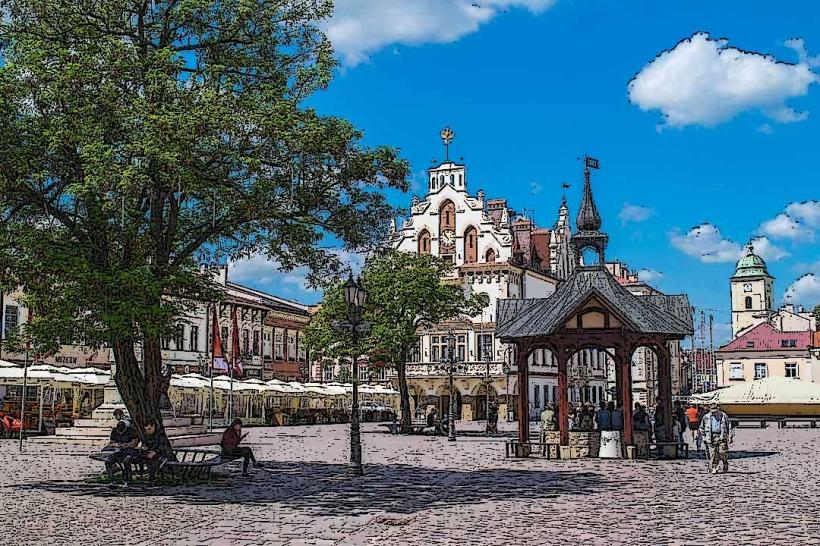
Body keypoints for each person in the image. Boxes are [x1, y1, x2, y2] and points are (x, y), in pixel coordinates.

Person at [104, 419, 140, 487]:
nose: (120, 433)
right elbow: (111, 442)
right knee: (108, 461)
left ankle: (127, 480)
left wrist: (127, 445)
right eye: (119, 431)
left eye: (122, 431)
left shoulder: (130, 431)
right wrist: (116, 445)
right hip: (118, 451)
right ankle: (112, 479)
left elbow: (135, 442)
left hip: (129, 451)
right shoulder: (114, 431)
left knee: (126, 460)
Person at [700, 403, 733, 474]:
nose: (713, 412)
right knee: (713, 453)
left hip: (722, 436)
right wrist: (704, 437)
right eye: (712, 410)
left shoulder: (723, 416)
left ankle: (725, 463)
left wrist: (730, 436)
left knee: (722, 452)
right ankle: (714, 467)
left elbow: (729, 426)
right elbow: (701, 428)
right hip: (711, 436)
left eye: (715, 410)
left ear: (718, 408)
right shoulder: (706, 417)